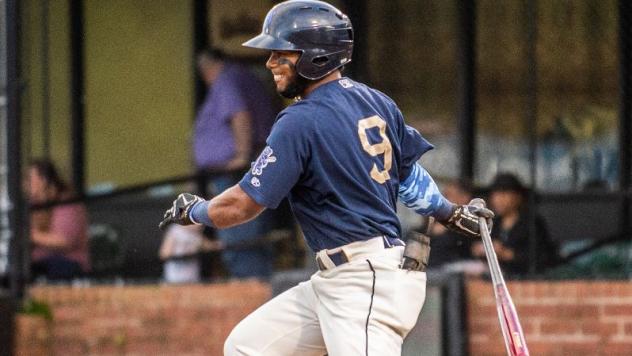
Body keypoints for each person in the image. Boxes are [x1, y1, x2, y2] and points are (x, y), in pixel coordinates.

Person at [160, 1, 493, 354]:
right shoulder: (376, 101)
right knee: (247, 347)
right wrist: (449, 212)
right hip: (341, 278)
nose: (271, 62)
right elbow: (408, 175)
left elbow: (241, 206)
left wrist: (195, 211)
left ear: (315, 56)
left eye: (281, 52)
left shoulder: (300, 120)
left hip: (363, 280)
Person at [193, 48, 278, 279]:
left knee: (239, 237)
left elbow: (239, 114)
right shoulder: (239, 77)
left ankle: (251, 284)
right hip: (245, 167)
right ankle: (256, 283)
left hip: (236, 172)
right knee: (249, 235)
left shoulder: (225, 80)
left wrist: (241, 155)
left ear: (209, 68)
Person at [471, 172, 557, 276]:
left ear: (518, 197)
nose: (498, 200)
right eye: (495, 195)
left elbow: (542, 257)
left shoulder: (532, 223)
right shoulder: (493, 223)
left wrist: (507, 254)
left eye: (503, 194)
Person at [28, 159, 90, 280]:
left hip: (68, 263)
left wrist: (30, 235)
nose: (25, 183)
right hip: (40, 262)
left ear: (44, 180)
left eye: (30, 178)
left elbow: (65, 241)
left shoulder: (67, 202)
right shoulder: (34, 204)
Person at [427, 179, 474, 268]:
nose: (443, 200)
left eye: (448, 196)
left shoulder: (472, 220)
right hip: (435, 266)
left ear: (464, 198)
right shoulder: (438, 216)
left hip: (458, 265)